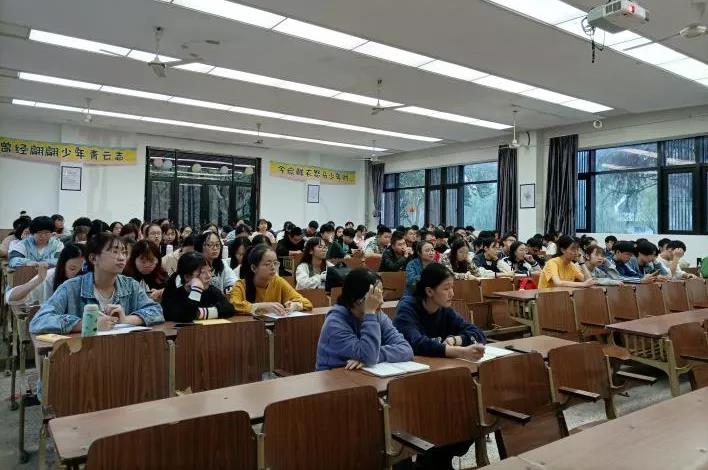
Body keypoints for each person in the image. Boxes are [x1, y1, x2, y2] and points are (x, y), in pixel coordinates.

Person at [29, 233, 164, 334]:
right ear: (93, 258)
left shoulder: (130, 285)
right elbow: (39, 321)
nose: (122, 258)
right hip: (83, 355)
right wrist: (88, 323)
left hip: (121, 352)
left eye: (124, 253)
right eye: (115, 252)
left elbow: (156, 311)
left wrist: (126, 320)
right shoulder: (71, 287)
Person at [316, 268, 413, 371]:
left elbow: (406, 349)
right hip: (334, 376)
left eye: (381, 293)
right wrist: (370, 313)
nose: (381, 301)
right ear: (357, 299)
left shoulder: (377, 315)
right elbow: (369, 356)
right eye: (375, 296)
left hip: (361, 374)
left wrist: (374, 355)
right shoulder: (334, 323)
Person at [230, 245, 313, 315]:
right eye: (268, 264)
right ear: (254, 268)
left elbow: (307, 303)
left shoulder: (278, 281)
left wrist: (295, 305)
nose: (273, 268)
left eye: (275, 263)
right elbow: (234, 306)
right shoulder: (240, 285)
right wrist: (263, 306)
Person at [161, 252, 236, 322]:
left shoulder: (210, 290)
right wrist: (196, 289)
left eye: (210, 271)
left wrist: (200, 313)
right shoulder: (173, 293)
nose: (209, 276)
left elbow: (229, 308)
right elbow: (185, 315)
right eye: (203, 272)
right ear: (187, 277)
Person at [5, 243, 86, 306]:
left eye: (84, 269)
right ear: (62, 266)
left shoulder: (91, 279)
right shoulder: (50, 276)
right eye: (72, 269)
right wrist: (38, 280)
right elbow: (11, 298)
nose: (78, 273)